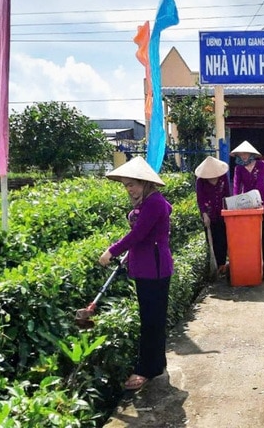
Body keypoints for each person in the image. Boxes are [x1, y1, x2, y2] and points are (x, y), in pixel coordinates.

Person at [98, 156, 173, 391]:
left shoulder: (154, 203)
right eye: (126, 185)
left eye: (132, 184)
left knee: (151, 320)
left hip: (155, 267)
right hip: (147, 265)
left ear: (145, 183)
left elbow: (138, 235)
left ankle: (147, 369)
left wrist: (111, 251)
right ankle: (157, 363)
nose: (129, 189)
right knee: (151, 318)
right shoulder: (146, 203)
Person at [231, 140, 264, 275]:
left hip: (261, 201)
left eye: (246, 153)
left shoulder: (261, 165)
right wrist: (236, 201)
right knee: (250, 234)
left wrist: (257, 201)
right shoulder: (238, 168)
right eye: (241, 154)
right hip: (246, 203)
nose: (243, 156)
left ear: (251, 154)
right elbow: (237, 185)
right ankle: (252, 262)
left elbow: (260, 182)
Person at [194, 155, 230, 276]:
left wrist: (228, 210)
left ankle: (222, 264)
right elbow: (200, 198)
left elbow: (227, 194)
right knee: (211, 239)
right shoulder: (200, 181)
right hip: (208, 214)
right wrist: (204, 214)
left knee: (223, 239)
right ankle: (213, 266)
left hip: (222, 212)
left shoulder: (223, 177)